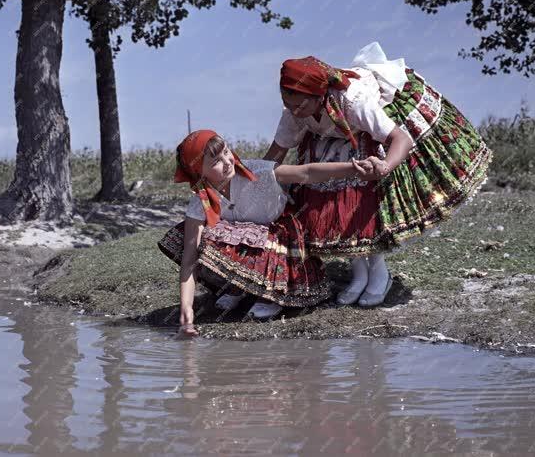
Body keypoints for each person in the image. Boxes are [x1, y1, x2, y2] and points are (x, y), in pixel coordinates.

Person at [263, 42, 492, 308]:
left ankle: (379, 273)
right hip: (334, 136)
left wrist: (385, 166)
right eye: (287, 103)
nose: (294, 111)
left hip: (371, 132)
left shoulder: (353, 101)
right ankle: (359, 274)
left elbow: (400, 139)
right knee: (334, 203)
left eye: (299, 105)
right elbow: (276, 153)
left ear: (319, 96)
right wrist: (251, 179)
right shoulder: (295, 111)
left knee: (364, 202)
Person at [157, 129, 373, 336]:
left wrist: (353, 168)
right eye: (216, 162)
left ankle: (272, 296)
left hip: (280, 237)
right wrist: (187, 308)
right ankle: (239, 287)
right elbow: (190, 258)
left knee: (254, 236)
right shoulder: (201, 200)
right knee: (193, 237)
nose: (227, 162)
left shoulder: (259, 171)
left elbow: (306, 172)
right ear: (198, 172)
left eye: (226, 152)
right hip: (247, 242)